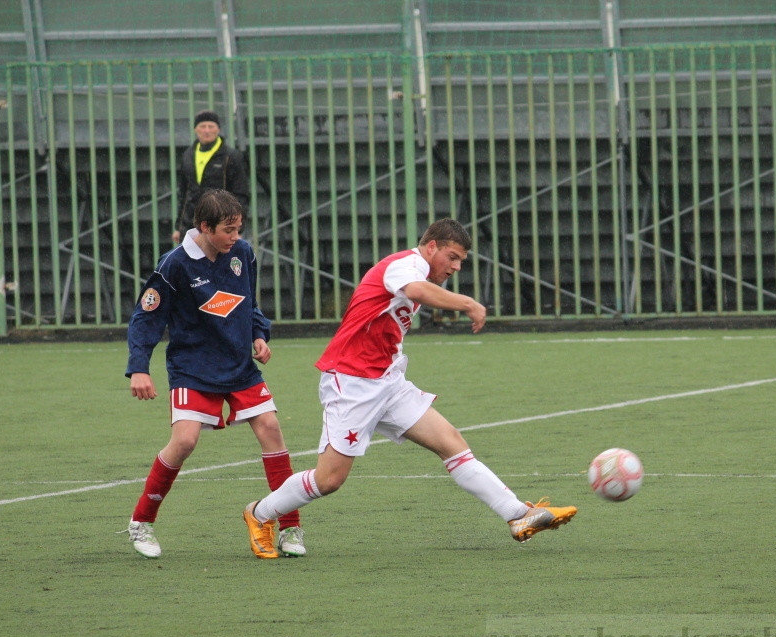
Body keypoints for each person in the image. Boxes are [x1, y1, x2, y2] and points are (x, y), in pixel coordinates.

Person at [240, 217, 577, 558]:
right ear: (431, 247)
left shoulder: (417, 269)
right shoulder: (407, 264)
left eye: (462, 261)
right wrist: (468, 304)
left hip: (388, 383)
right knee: (329, 480)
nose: (457, 266)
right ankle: (259, 514)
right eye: (452, 257)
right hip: (353, 383)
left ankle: (518, 515)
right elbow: (415, 291)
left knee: (452, 444)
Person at [123, 189, 304, 558]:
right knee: (185, 441)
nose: (235, 237)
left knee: (271, 428)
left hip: (240, 367)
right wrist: (139, 368)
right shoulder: (174, 264)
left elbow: (250, 301)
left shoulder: (242, 252)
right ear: (205, 227)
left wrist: (258, 334)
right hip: (193, 368)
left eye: (238, 228)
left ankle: (289, 527)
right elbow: (146, 316)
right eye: (228, 230)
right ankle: (141, 521)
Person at [172, 110, 249, 245]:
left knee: (219, 264)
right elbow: (183, 194)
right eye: (202, 126)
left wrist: (237, 229)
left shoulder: (231, 156)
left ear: (218, 129)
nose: (207, 131)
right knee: (191, 265)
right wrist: (179, 227)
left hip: (221, 227)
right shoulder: (187, 156)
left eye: (211, 126)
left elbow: (240, 194)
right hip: (191, 227)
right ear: (195, 129)